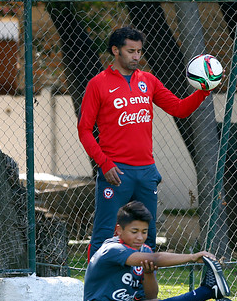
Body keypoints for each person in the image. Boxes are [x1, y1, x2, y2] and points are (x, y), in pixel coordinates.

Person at [78, 27, 214, 259]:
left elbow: (179, 109)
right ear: (115, 50)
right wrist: (104, 163)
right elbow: (84, 130)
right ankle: (94, 287)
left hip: (146, 172)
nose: (136, 56)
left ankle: (141, 287)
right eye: (131, 51)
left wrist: (203, 91)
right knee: (104, 233)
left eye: (139, 51)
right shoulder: (98, 84)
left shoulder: (148, 80)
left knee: (147, 235)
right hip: (116, 171)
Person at [80, 201, 236, 301]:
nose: (140, 237)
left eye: (144, 232)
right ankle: (208, 290)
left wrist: (148, 275)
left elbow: (151, 296)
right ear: (119, 230)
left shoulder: (145, 250)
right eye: (134, 232)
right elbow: (156, 259)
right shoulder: (112, 249)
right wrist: (193, 257)